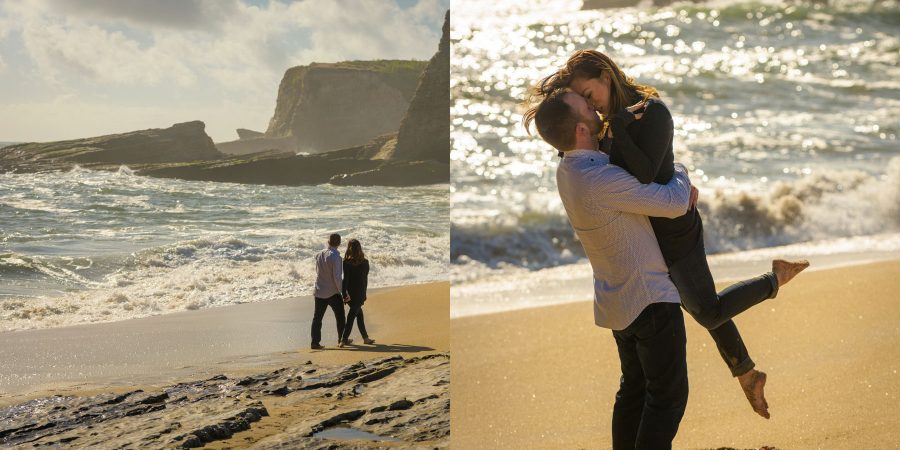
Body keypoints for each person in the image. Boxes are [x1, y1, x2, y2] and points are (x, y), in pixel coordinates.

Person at [529, 49, 809, 419]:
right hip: (650, 226)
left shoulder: (652, 112)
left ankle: (775, 278)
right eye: (582, 101)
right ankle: (747, 373)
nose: (591, 106)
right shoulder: (610, 123)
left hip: (676, 226)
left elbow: (643, 175)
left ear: (605, 76)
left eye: (588, 94)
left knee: (707, 312)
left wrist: (675, 169)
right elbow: (593, 164)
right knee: (702, 306)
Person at [527, 88, 694, 449]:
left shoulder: (570, 169)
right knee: (666, 400)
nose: (594, 107)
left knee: (633, 393)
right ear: (581, 131)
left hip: (618, 303)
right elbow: (674, 201)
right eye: (586, 106)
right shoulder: (597, 179)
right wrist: (679, 169)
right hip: (648, 298)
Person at [311, 233, 346, 350]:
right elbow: (337, 277)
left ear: (328, 241)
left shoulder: (319, 254)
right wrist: (342, 292)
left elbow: (317, 272)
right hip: (332, 292)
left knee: (317, 318)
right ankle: (341, 339)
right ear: (339, 243)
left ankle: (315, 342)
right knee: (340, 316)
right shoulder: (336, 257)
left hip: (319, 290)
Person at [339, 238, 375, 347]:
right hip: (360, 293)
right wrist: (364, 293)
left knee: (358, 314)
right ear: (359, 248)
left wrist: (344, 294)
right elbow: (364, 279)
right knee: (353, 315)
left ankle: (365, 338)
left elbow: (346, 280)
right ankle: (344, 339)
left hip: (350, 294)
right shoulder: (365, 262)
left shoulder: (346, 262)